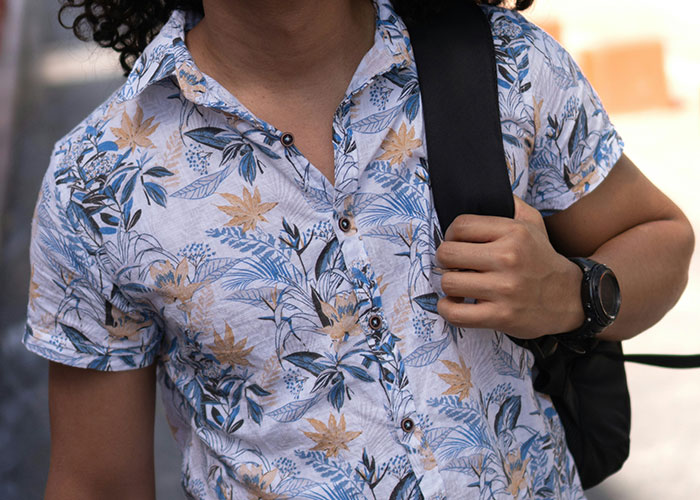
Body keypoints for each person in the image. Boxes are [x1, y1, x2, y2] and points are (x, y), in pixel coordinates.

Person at [23, 0, 694, 498]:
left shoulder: (505, 66)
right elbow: (96, 483)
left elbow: (663, 239)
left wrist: (571, 294)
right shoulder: (98, 181)